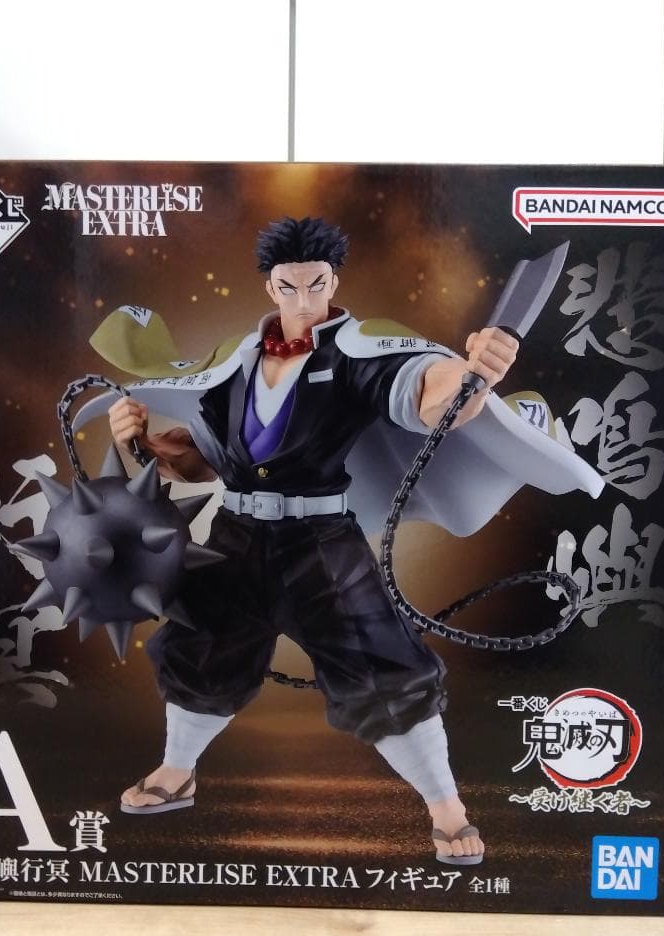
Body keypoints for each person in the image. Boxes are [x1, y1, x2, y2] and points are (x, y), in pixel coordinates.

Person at [108, 216, 520, 865]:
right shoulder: (234, 358)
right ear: (269, 287)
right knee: (202, 646)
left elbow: (425, 395)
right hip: (235, 535)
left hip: (321, 543)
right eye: (289, 287)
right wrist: (140, 443)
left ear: (333, 281)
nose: (303, 301)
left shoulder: (355, 352)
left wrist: (474, 375)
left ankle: (447, 808)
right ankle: (177, 770)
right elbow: (202, 461)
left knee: (382, 667)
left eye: (316, 285)